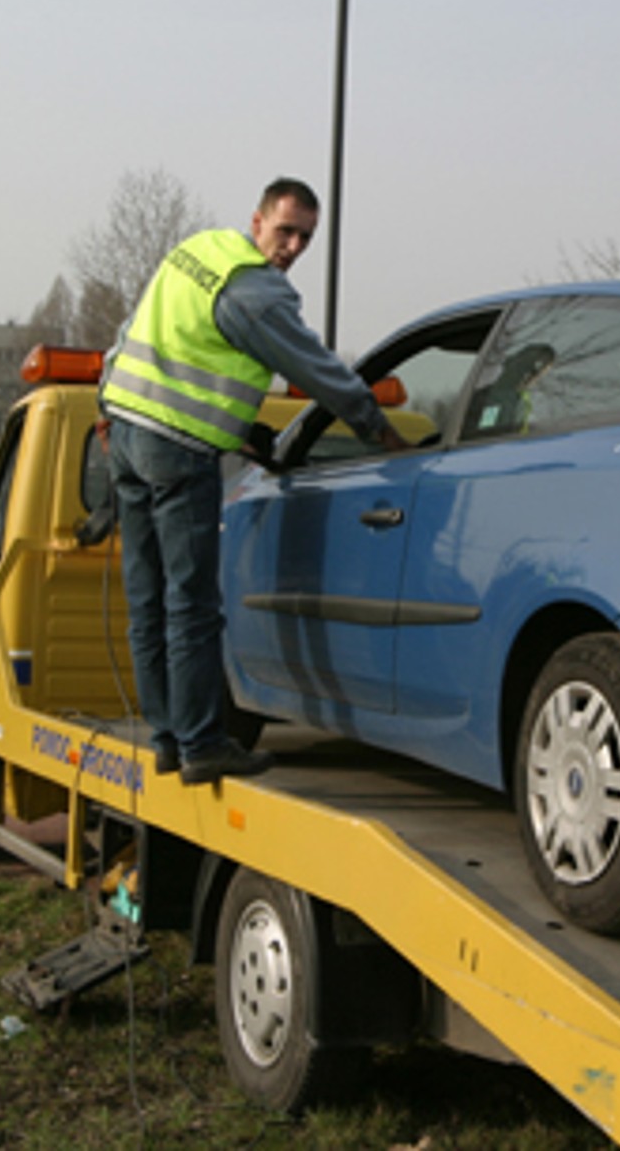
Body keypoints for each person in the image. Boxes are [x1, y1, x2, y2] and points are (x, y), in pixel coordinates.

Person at [98, 177, 409, 784]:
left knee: (148, 600)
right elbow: (320, 372)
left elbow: (130, 334)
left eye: (306, 238)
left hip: (129, 437)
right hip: (178, 451)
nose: (292, 246)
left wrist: (106, 405)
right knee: (191, 604)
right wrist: (378, 430)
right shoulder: (259, 294)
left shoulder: (200, 250)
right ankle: (201, 745)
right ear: (259, 220)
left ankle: (165, 738)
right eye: (287, 230)